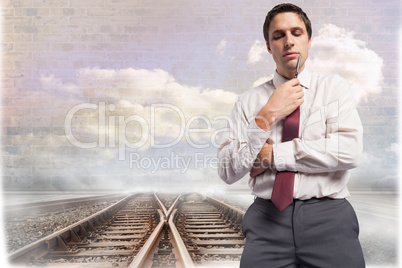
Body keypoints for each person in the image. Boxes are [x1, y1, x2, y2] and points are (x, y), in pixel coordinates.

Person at [217, 3, 365, 267]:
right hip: (266, 221)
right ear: (268, 46)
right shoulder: (247, 102)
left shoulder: (334, 89)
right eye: (278, 35)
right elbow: (228, 170)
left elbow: (348, 151)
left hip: (330, 220)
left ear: (309, 40)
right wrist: (266, 116)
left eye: (296, 33)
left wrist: (272, 155)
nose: (288, 41)